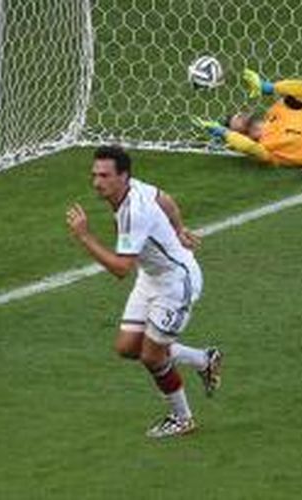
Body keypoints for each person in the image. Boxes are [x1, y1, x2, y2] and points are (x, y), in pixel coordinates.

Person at [65, 145, 223, 438]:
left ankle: (182, 418)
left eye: (105, 175)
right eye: (94, 175)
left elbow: (121, 269)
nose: (97, 182)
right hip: (151, 278)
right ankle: (203, 359)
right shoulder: (135, 189)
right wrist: (178, 228)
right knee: (127, 348)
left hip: (176, 283)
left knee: (152, 356)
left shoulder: (133, 212)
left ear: (123, 176)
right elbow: (164, 198)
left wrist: (85, 236)